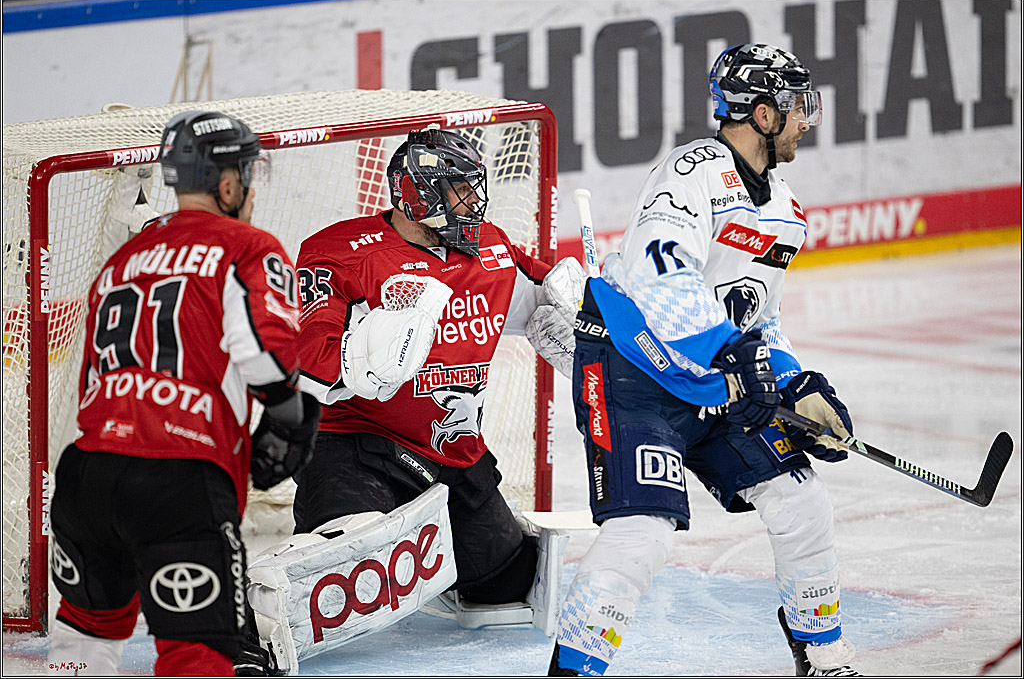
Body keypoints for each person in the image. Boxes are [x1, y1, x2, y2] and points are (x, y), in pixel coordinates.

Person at [547, 43, 861, 677]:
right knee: (644, 534)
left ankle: (824, 656)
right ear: (762, 115)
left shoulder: (786, 211)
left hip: (713, 382)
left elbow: (760, 317)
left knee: (802, 501)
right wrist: (736, 355)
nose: (807, 118)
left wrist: (797, 381)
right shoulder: (693, 171)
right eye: (795, 105)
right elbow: (662, 277)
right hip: (631, 371)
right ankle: (573, 671)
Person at [238, 126, 583, 667]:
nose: (473, 203)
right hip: (356, 443)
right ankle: (244, 622)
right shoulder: (341, 252)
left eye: (474, 188)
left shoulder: (490, 246)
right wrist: (360, 361)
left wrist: (578, 320)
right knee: (340, 567)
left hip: (453, 455)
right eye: (456, 190)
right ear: (415, 191)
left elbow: (546, 298)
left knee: (506, 585)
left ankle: (433, 549)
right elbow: (307, 357)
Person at [46, 110, 320, 676]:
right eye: (246, 174)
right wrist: (290, 415)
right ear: (226, 184)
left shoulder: (123, 259)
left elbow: (92, 376)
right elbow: (265, 357)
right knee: (198, 653)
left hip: (86, 474)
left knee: (83, 641)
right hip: (176, 481)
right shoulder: (246, 245)